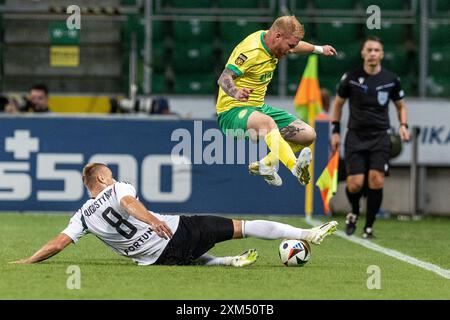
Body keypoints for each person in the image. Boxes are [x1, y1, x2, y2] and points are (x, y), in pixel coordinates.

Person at [11, 163, 338, 266]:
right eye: (108, 174)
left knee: (187, 258)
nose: (112, 176)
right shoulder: (117, 188)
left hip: (159, 259)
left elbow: (56, 244)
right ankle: (308, 235)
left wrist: (26, 261)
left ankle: (226, 262)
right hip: (177, 231)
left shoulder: (81, 215)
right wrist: (152, 220)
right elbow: (129, 205)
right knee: (244, 225)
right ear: (99, 180)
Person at [216, 15, 337, 187]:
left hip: (258, 108)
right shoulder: (251, 51)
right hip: (232, 112)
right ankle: (294, 167)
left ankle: (267, 164)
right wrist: (235, 91)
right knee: (268, 123)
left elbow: (296, 46)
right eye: (289, 46)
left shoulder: (275, 40)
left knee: (307, 134)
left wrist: (319, 49)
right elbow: (224, 78)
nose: (290, 51)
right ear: (278, 36)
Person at [330, 36, 410, 239]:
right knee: (355, 183)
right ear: (363, 53)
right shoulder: (351, 77)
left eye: (376, 50)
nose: (373, 53)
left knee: (376, 180)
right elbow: (338, 104)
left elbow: (401, 105)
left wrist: (403, 125)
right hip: (355, 136)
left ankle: (369, 227)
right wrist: (336, 130)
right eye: (369, 50)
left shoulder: (391, 79)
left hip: (380, 137)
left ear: (382, 54)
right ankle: (354, 211)